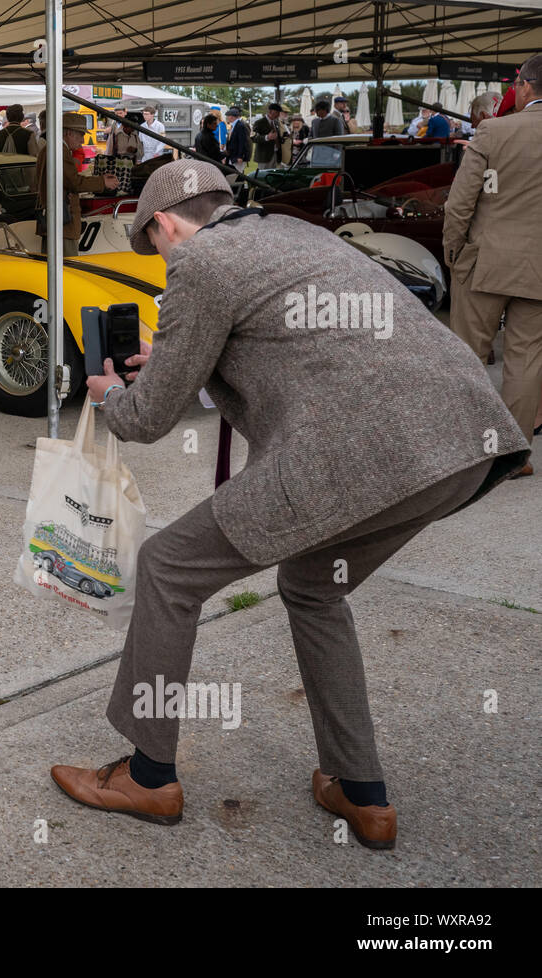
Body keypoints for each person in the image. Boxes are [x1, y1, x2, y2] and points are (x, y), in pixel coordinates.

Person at [54, 158, 529, 845]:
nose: (161, 261)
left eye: (154, 248)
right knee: (313, 586)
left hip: (358, 455)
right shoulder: (298, 234)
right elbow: (305, 349)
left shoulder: (199, 261)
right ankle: (363, 793)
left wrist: (112, 399)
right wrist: (179, 357)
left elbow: (149, 420)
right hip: (462, 441)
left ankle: (148, 777)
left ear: (163, 224)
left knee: (167, 567)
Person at [443, 53, 542, 478]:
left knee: (467, 356)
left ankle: (469, 451)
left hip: (484, 262)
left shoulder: (493, 131)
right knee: (526, 360)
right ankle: (514, 458)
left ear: (525, 86)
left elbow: (460, 202)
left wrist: (453, 253)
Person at [33, 111, 118, 251]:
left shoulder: (51, 148)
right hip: (62, 223)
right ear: (68, 133)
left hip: (55, 219)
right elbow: (74, 182)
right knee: (66, 268)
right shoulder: (60, 151)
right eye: (80, 135)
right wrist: (102, 182)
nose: (83, 140)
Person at [250, 102, 284, 168]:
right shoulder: (259, 122)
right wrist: (267, 137)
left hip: (275, 154)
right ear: (270, 111)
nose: (278, 114)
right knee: (262, 175)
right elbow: (253, 138)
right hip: (264, 156)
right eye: (277, 112)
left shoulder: (276, 122)